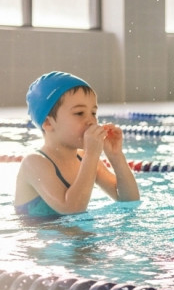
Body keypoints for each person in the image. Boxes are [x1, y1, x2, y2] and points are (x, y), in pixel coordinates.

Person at [14, 71, 140, 217]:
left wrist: (116, 155)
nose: (91, 121)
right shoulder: (34, 163)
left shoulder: (84, 159)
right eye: (79, 113)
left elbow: (129, 200)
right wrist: (92, 154)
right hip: (40, 237)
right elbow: (72, 209)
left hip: (69, 235)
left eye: (93, 113)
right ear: (48, 123)